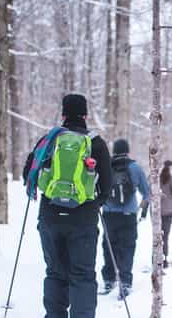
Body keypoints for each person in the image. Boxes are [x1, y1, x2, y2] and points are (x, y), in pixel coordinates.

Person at [23, 94, 112, 318]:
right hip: (83, 220)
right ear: (85, 115)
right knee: (82, 275)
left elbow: (28, 175)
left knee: (55, 273)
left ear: (63, 114)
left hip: (51, 217)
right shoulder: (96, 143)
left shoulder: (49, 140)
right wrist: (91, 204)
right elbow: (107, 186)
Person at [100, 138, 150, 299]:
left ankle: (109, 280)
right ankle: (125, 282)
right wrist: (141, 209)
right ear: (127, 150)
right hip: (128, 216)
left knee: (109, 247)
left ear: (114, 150)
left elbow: (97, 188)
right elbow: (147, 193)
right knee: (127, 248)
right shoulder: (135, 168)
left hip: (108, 214)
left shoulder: (106, 166)